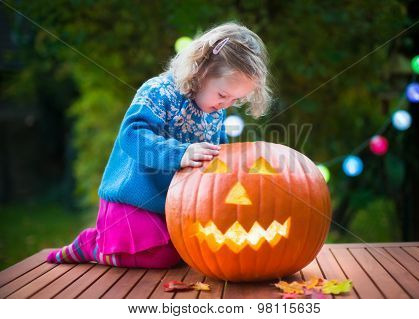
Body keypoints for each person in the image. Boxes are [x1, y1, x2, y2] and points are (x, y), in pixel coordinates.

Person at [47, 21, 272, 269]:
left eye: (234, 100)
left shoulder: (215, 112)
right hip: (132, 201)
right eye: (222, 95)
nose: (225, 105)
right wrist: (181, 153)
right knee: (160, 256)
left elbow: (219, 154)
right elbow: (132, 135)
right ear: (203, 70)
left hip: (173, 206)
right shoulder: (159, 91)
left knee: (194, 251)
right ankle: (94, 244)